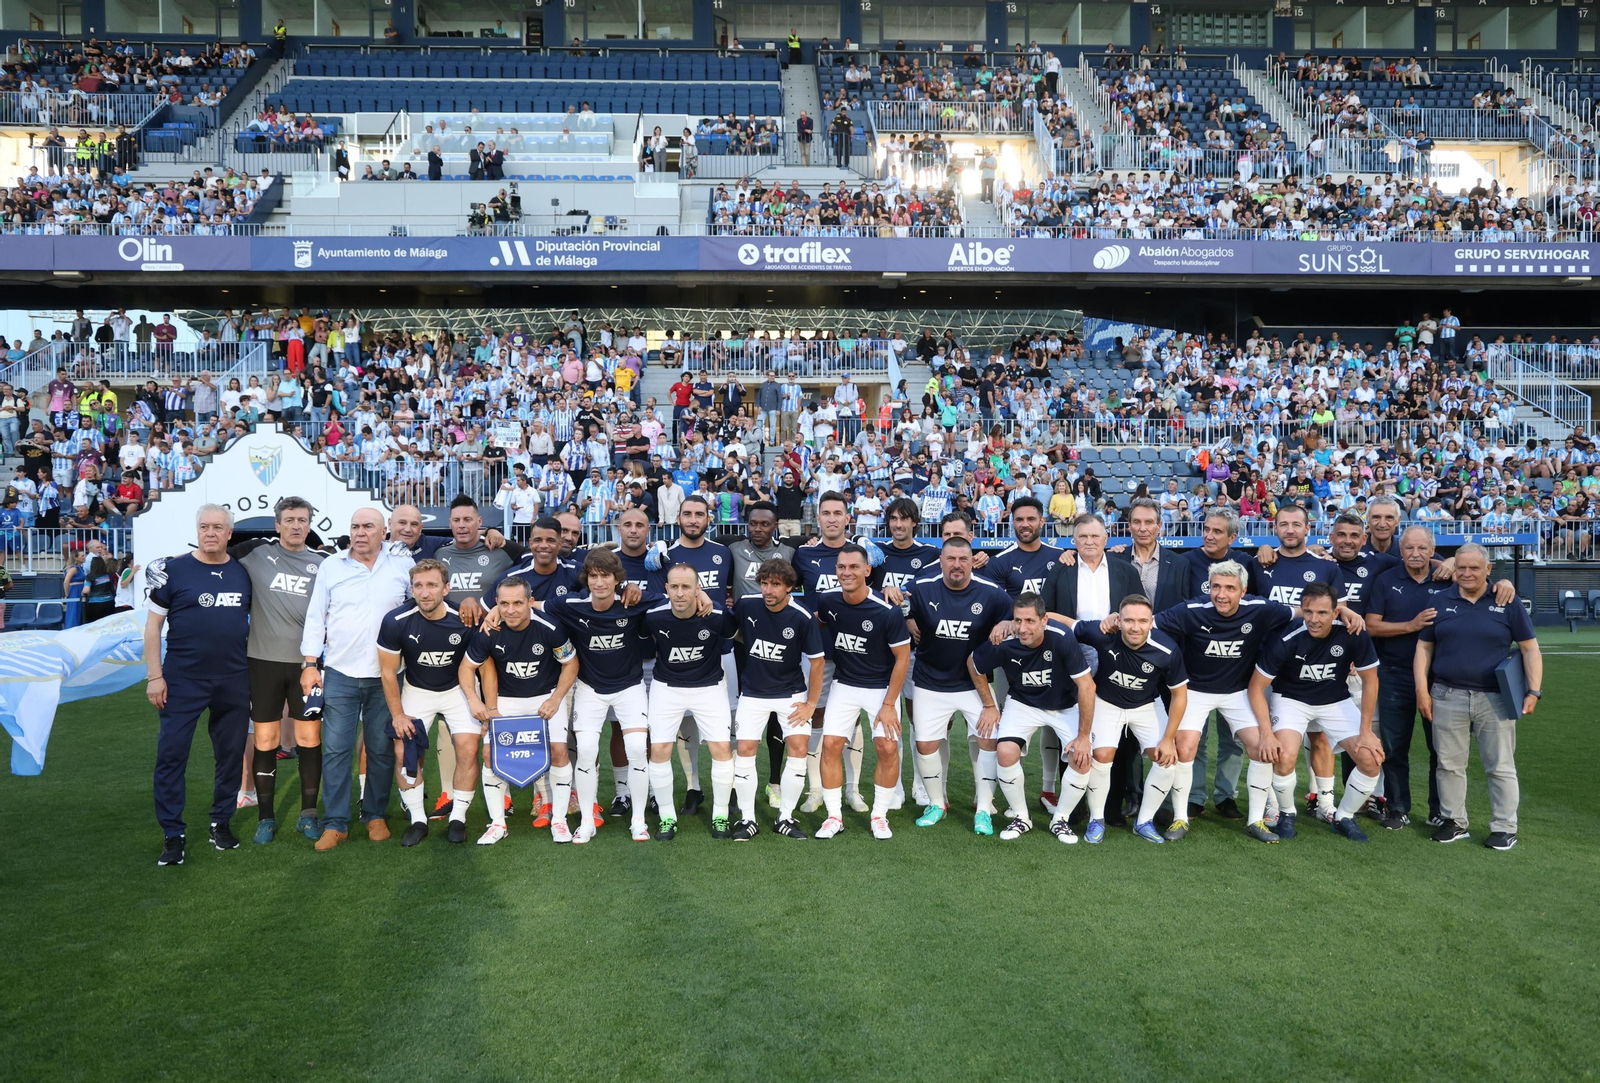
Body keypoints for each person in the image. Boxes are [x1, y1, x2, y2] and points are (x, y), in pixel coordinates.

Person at [299, 508, 414, 852]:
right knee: (336, 749)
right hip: (339, 672)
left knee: (380, 748)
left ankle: (374, 814)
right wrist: (309, 663)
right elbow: (316, 616)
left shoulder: (402, 568)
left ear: (384, 532)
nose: (360, 532)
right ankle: (335, 823)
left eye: (368, 527)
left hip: (387, 676)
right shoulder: (332, 566)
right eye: (355, 527)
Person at [145, 504, 253, 866]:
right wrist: (155, 676)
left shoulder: (242, 573)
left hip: (234, 679)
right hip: (182, 680)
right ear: (197, 530)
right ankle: (172, 834)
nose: (211, 532)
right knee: (172, 756)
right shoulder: (173, 571)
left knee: (229, 756)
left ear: (228, 534)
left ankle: (220, 822)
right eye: (205, 526)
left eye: (218, 527)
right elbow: (152, 629)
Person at [1415, 543, 1542, 851]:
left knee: (1499, 765)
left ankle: (1504, 826)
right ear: (1453, 569)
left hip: (1495, 697)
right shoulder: (1439, 600)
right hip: (1446, 693)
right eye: (1461, 568)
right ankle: (1454, 821)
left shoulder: (1507, 601)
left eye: (1474, 568)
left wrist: (1534, 690)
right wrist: (1422, 689)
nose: (1467, 573)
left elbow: (1529, 648)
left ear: (1488, 570)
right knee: (1448, 764)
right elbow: (1424, 648)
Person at [542, 549, 664, 844]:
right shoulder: (571, 604)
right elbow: (531, 605)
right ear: (586, 579)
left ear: (617, 578)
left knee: (636, 746)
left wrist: (699, 595)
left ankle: (638, 820)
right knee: (585, 749)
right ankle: (586, 821)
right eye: (593, 576)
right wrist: (495, 609)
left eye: (605, 576)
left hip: (630, 687)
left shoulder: (632, 600)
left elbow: (670, 599)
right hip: (589, 689)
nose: (599, 583)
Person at [1248, 582, 1384, 844]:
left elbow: (1371, 681)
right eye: (1308, 611)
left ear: (1336, 613)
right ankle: (1287, 814)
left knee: (1370, 758)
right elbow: (1256, 687)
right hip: (1291, 699)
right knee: (1283, 754)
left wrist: (1366, 732)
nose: (1314, 619)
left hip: (1335, 700)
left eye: (1322, 613)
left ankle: (1343, 816)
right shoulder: (1288, 637)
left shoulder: (1353, 632)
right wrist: (1266, 733)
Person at [231, 496, 330, 844]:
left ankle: (308, 814)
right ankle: (266, 818)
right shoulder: (255, 552)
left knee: (308, 739)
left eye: (302, 519)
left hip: (308, 666)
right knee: (267, 740)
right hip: (262, 662)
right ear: (277, 524)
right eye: (289, 519)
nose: (296, 525)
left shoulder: (325, 563)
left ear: (309, 524)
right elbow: (211, 553)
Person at [968, 592, 1097, 842]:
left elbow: (1087, 686)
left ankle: (1060, 820)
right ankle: (1021, 817)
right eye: (1017, 620)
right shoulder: (1005, 639)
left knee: (1082, 759)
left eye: (1030, 621)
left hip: (1064, 705)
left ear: (1044, 620)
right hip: (1024, 703)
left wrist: (1083, 736)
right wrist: (989, 705)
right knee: (1005, 751)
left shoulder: (1062, 637)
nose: (1023, 628)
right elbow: (973, 663)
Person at [460, 576, 579, 844]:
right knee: (490, 754)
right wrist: (473, 700)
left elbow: (570, 664)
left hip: (545, 696)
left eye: (517, 603)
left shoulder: (550, 627)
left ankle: (559, 820)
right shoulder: (489, 631)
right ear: (497, 604)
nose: (511, 610)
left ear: (530, 602)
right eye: (504, 603)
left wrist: (557, 698)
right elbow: (466, 667)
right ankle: (497, 824)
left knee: (559, 751)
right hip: (507, 699)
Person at [904, 536, 1012, 831]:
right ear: (941, 561)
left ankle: (985, 808)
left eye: (963, 559)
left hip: (974, 684)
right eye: (950, 559)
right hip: (930, 681)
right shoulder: (921, 587)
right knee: (925, 744)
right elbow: (897, 602)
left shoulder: (991, 593)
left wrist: (1007, 622)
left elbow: (1016, 614)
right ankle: (937, 803)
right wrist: (906, 617)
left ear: (971, 562)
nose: (956, 565)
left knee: (989, 741)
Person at [812, 544, 910, 840]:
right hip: (844, 684)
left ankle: (879, 816)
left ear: (868, 570)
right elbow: (820, 620)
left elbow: (902, 658)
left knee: (888, 748)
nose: (847, 572)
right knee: (830, 745)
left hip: (881, 689)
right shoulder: (828, 601)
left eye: (854, 567)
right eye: (841, 567)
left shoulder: (887, 611)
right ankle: (833, 817)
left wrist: (890, 704)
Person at [376, 559, 475, 847]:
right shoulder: (395, 620)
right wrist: (398, 715)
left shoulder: (465, 617)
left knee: (468, 750)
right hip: (417, 689)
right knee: (403, 753)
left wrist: (482, 703)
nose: (425, 592)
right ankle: (418, 819)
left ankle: (458, 817)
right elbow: (387, 671)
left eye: (432, 585)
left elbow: (482, 663)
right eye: (418, 586)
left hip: (457, 689)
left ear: (447, 588)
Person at [1365, 525, 1453, 830]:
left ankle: (1440, 810)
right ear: (1400, 551)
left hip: (1440, 677)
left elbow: (1483, 582)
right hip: (1393, 673)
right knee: (1394, 746)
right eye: (1409, 548)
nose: (1415, 554)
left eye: (1422, 548)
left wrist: (1504, 581)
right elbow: (1372, 625)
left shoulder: (1449, 577)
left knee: (1440, 747)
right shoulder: (1387, 580)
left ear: (1433, 550)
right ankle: (1398, 808)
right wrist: (1411, 625)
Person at [644, 564, 737, 840]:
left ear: (699, 589)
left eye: (687, 587)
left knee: (721, 748)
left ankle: (720, 815)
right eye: (675, 587)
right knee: (659, 750)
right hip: (667, 687)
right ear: (667, 589)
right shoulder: (653, 616)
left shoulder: (717, 615)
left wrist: (713, 600)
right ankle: (667, 817)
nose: (680, 593)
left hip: (709, 687)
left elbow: (734, 635)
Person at [657, 494, 736, 812]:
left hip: (721, 649)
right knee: (684, 724)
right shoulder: (664, 554)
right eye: (687, 514)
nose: (693, 520)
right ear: (678, 518)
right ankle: (693, 787)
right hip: (679, 650)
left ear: (708, 519)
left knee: (725, 724)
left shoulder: (723, 553)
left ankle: (727, 789)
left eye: (699, 514)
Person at [735, 559, 825, 838]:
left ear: (789, 587)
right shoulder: (747, 604)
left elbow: (818, 662)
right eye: (764, 583)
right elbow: (732, 632)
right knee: (745, 750)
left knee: (799, 748)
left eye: (776, 584)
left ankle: (785, 817)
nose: (768, 590)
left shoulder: (802, 616)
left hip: (790, 693)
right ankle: (747, 819)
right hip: (752, 693)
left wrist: (811, 703)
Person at [986, 497, 1065, 809]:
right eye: (1019, 520)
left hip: (1055, 652)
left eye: (1031, 519)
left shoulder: (1062, 558)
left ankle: (1048, 789)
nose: (1026, 525)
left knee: (1053, 721)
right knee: (1012, 727)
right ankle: (1012, 794)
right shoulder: (1000, 562)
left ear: (1042, 521)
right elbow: (993, 607)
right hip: (1015, 657)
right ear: (1012, 522)